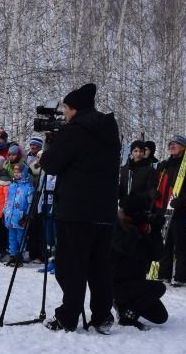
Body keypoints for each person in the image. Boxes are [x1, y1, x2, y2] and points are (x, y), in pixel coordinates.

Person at [35, 82, 121, 332]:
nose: (64, 114)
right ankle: (102, 315)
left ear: (74, 109)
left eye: (66, 109)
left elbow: (52, 164)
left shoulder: (73, 131)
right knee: (99, 266)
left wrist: (47, 150)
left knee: (71, 266)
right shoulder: (108, 130)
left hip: (76, 210)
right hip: (104, 210)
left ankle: (68, 316)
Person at [111, 193, 168, 329]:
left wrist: (155, 232)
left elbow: (157, 256)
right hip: (115, 284)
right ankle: (127, 316)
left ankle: (124, 307)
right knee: (159, 288)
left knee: (160, 317)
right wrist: (135, 229)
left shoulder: (142, 229)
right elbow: (128, 249)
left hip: (135, 283)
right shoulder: (115, 227)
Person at [154, 134, 186, 285]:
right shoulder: (165, 165)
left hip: (180, 211)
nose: (172, 146)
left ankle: (180, 276)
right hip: (163, 209)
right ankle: (163, 273)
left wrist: (182, 201)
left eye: (176, 144)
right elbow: (156, 183)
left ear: (184, 147)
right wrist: (153, 193)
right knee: (165, 243)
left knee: (181, 245)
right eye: (170, 143)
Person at [2, 161, 33, 264]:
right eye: (15, 171)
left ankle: (20, 254)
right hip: (10, 216)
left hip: (21, 217)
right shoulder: (12, 185)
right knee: (11, 236)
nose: (16, 173)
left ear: (23, 172)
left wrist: (27, 215)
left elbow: (30, 203)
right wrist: (5, 211)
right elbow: (8, 199)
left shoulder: (28, 187)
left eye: (18, 171)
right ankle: (13, 254)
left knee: (21, 237)